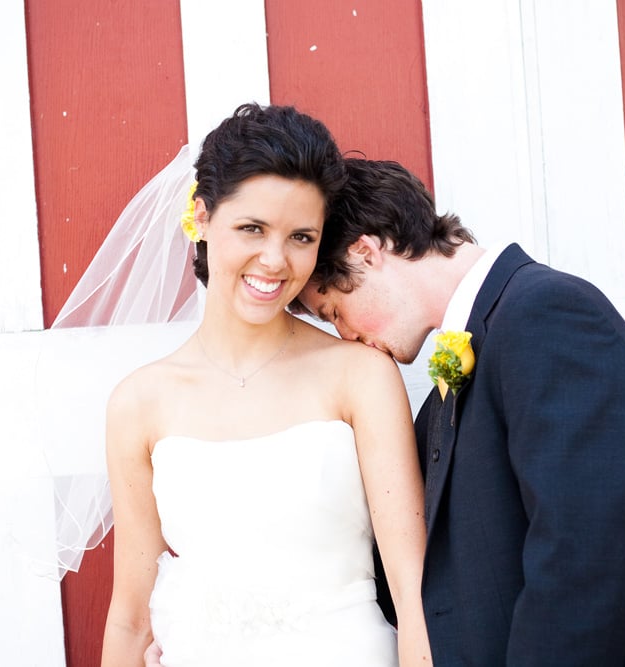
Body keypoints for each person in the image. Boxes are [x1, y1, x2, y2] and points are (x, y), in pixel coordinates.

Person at [293, 158, 625, 665]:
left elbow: (583, 570)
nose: (347, 336)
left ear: (366, 253)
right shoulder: (472, 347)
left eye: (334, 312)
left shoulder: (549, 316)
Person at [100, 105, 432, 666]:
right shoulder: (139, 404)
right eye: (252, 228)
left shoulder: (361, 377)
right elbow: (131, 619)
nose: (275, 261)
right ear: (201, 218)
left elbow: (413, 589)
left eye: (301, 236)